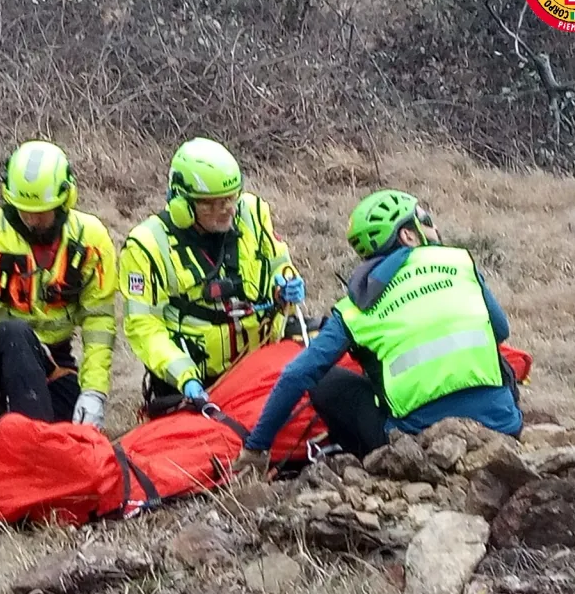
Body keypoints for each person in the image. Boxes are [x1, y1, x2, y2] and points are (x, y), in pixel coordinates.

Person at [233, 189, 523, 475]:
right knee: (496, 358)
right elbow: (500, 330)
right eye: (425, 220)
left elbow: (297, 375)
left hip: (412, 445)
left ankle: (372, 464)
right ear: (407, 235)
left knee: (327, 382)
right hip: (502, 427)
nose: (434, 227)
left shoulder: (355, 307)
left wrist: (257, 446)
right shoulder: (460, 262)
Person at [0, 140, 117, 430]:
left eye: (41, 212)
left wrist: (94, 392)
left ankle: (14, 416)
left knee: (70, 427)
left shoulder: (91, 240)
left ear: (65, 200)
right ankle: (29, 436)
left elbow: (99, 322)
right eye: (23, 210)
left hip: (52, 355)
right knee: (17, 334)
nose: (31, 220)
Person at [119, 136, 306, 417]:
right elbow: (143, 326)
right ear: (182, 204)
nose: (227, 209)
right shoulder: (147, 246)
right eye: (212, 204)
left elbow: (279, 262)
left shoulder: (253, 214)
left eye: (231, 198)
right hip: (196, 380)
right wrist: (185, 376)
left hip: (260, 363)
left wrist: (285, 283)